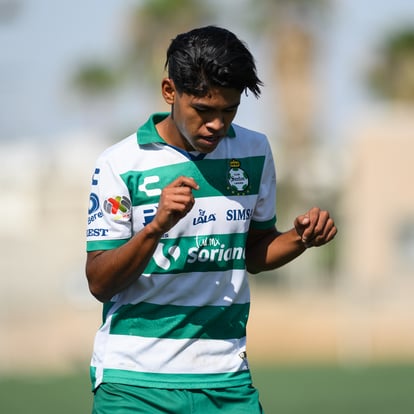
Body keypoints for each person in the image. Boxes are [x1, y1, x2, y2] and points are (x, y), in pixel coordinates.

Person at [85, 25, 337, 414]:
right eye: (203, 110)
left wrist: (300, 238)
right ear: (170, 91)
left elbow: (252, 253)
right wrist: (155, 228)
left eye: (229, 110)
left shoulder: (254, 151)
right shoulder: (120, 163)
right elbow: (100, 281)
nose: (217, 124)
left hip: (226, 381)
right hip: (135, 383)